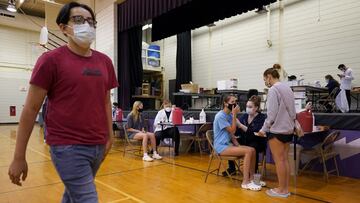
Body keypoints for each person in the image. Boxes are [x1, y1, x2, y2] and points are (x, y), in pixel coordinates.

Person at [8, 2, 118, 202]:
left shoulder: (105, 62)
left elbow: (105, 102)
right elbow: (31, 108)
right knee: (86, 198)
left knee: (72, 196)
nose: (86, 25)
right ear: (63, 27)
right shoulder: (50, 61)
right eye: (78, 20)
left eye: (91, 21)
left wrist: (109, 137)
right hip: (67, 147)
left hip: (97, 145)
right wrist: (19, 156)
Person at [258, 68, 295, 198]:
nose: (265, 82)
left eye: (265, 79)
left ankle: (281, 190)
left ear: (269, 76)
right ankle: (285, 188)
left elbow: (271, 114)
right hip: (289, 129)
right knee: (285, 160)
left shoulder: (273, 90)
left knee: (279, 161)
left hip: (277, 129)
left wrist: (263, 129)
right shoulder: (288, 88)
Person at [214, 95, 263, 191]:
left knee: (252, 150)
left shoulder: (229, 115)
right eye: (232, 101)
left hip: (228, 145)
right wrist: (235, 115)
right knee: (247, 152)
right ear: (225, 103)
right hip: (220, 147)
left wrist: (238, 145)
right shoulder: (220, 116)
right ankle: (245, 182)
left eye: (236, 101)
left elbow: (231, 135)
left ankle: (252, 179)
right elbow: (232, 131)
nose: (235, 104)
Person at [223, 96, 267, 177]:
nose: (248, 108)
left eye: (250, 107)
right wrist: (235, 135)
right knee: (231, 143)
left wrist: (240, 125)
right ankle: (232, 168)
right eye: (247, 106)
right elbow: (237, 130)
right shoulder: (245, 116)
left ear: (256, 107)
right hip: (245, 140)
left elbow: (255, 133)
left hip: (257, 141)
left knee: (253, 148)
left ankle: (253, 171)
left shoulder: (262, 118)